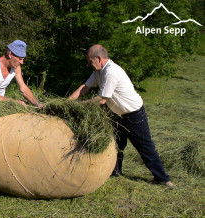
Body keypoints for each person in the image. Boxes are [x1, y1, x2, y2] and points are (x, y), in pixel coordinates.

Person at [68, 44, 174, 188]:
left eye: (90, 61)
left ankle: (164, 180)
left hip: (134, 115)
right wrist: (67, 102)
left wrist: (78, 106)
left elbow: (101, 100)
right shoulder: (98, 72)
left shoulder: (111, 72)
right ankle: (115, 173)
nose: (88, 64)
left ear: (98, 58)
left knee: (145, 148)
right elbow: (84, 87)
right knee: (116, 146)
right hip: (117, 115)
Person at [0, 40, 43, 108]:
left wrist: (37, 104)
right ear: (10, 54)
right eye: (20, 59)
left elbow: (23, 88)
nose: (22, 62)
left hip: (0, 105)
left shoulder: (16, 67)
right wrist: (14, 102)